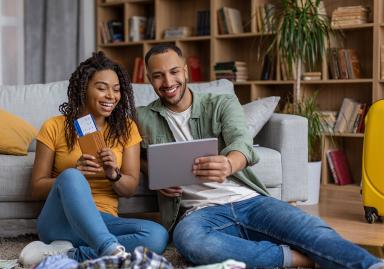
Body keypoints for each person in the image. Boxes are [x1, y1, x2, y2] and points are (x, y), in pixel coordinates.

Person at [137, 43, 384, 269]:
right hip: (198, 213)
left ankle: (371, 266)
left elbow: (242, 143)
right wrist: (154, 172)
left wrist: (229, 163)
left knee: (311, 229)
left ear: (186, 72)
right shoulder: (142, 117)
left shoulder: (221, 103)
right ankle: (296, 259)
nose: (168, 81)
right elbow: (127, 153)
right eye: (158, 75)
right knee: (190, 243)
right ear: (149, 79)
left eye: (174, 72)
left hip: (249, 200)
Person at [19, 52, 168, 267]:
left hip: (104, 221)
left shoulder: (126, 129)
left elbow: (129, 189)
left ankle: (70, 255)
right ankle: (110, 250)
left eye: (116, 90)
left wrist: (113, 174)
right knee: (71, 175)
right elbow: (35, 188)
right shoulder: (54, 126)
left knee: (156, 235)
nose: (111, 96)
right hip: (61, 222)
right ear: (84, 89)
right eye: (102, 88)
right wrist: (74, 175)